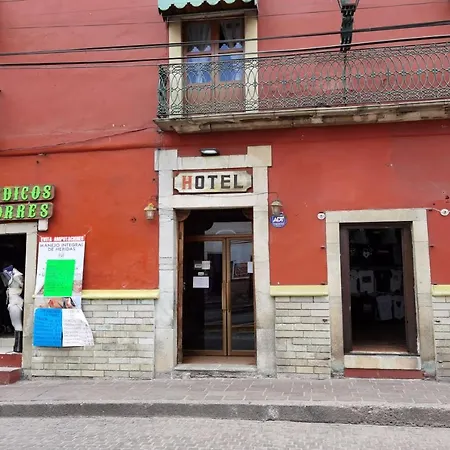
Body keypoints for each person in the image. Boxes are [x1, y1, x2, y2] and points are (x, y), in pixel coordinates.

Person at [1, 264, 24, 353]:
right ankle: (17, 346)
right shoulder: (12, 285)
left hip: (15, 303)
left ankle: (18, 346)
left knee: (17, 324)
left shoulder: (17, 278)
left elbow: (20, 284)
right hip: (13, 303)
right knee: (15, 324)